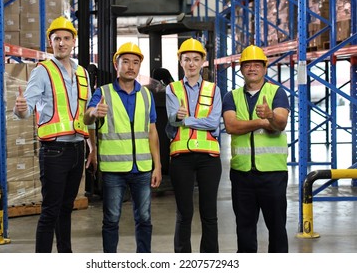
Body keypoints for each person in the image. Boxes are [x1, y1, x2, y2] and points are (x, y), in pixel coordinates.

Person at [13, 16, 97, 253]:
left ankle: (65, 256)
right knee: (51, 210)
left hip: (77, 149)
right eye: (57, 38)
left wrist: (92, 148)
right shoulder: (42, 71)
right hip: (54, 151)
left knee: (66, 208)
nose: (62, 43)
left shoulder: (83, 73)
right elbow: (26, 108)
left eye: (66, 38)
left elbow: (86, 114)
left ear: (73, 42)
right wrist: (20, 110)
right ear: (50, 42)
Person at [83, 42, 162, 253]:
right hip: (113, 171)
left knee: (144, 218)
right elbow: (87, 118)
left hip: (143, 169)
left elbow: (152, 131)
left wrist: (158, 166)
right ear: (116, 64)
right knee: (111, 219)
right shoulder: (103, 93)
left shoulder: (146, 95)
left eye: (135, 63)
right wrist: (93, 113)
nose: (131, 67)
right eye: (125, 62)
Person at [222, 45, 290, 253]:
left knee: (277, 228)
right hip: (242, 175)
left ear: (264, 68)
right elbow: (231, 126)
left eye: (257, 65)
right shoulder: (231, 96)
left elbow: (280, 125)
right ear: (241, 69)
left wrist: (270, 115)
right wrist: (261, 123)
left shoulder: (276, 92)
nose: (252, 68)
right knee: (244, 229)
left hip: (273, 174)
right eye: (247, 65)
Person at [165, 38, 222, 253]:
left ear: (202, 62)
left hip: (209, 158)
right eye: (187, 59)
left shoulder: (213, 89)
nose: (191, 64)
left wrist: (186, 119)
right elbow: (172, 121)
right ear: (180, 61)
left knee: (209, 213)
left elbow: (214, 122)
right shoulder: (172, 89)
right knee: (184, 213)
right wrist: (187, 120)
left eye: (195, 59)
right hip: (181, 158)